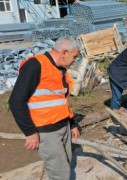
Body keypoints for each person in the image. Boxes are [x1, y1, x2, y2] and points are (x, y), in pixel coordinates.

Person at [9, 37, 81, 180]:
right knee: (59, 174)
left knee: (65, 166)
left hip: (63, 126)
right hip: (47, 132)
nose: (75, 60)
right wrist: (30, 132)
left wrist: (72, 124)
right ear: (64, 53)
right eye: (75, 56)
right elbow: (16, 101)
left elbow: (60, 100)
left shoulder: (60, 69)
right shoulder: (35, 65)